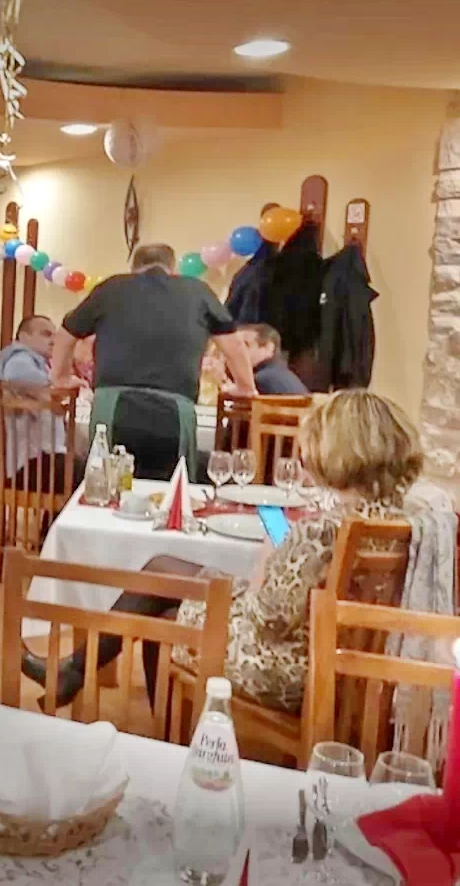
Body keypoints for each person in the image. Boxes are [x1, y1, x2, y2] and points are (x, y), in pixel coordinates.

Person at [23, 390, 422, 713]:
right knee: (163, 571)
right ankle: (76, 674)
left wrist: (270, 553)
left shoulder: (321, 530)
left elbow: (267, 618)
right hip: (341, 661)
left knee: (165, 609)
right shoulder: (402, 521)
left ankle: (99, 688)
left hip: (284, 669)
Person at [49, 244, 256, 479]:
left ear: (133, 269)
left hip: (112, 405)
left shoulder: (111, 288)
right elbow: (234, 345)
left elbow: (66, 333)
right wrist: (245, 386)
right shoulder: (198, 291)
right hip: (174, 409)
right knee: (172, 487)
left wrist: (60, 377)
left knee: (108, 484)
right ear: (172, 268)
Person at [0, 315, 68, 490]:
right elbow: (15, 374)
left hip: (23, 464)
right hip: (27, 466)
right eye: (46, 334)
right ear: (23, 337)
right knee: (89, 473)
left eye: (54, 335)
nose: (53, 341)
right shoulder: (19, 358)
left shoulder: (31, 361)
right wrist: (56, 385)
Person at [241, 323, 309, 395]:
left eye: (246, 345)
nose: (239, 351)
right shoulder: (286, 375)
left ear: (268, 347)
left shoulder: (260, 380)